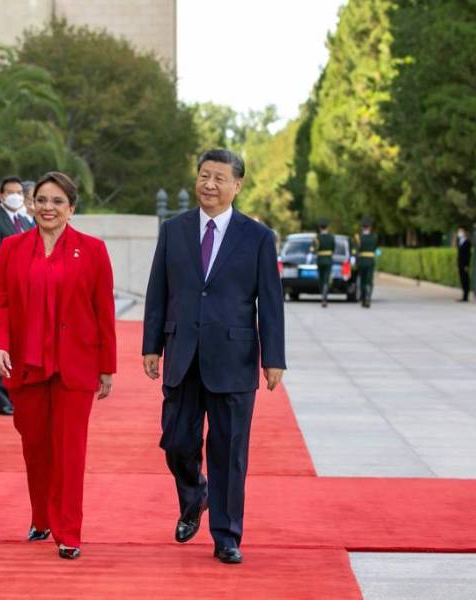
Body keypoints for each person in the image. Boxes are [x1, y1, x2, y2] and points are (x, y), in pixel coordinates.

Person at [142, 148, 285, 565]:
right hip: (182, 354)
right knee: (176, 441)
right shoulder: (174, 230)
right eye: (204, 175)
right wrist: (152, 346)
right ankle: (194, 495)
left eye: (219, 178)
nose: (209, 184)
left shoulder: (257, 237)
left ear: (237, 185)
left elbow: (270, 303)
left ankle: (226, 535)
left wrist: (273, 358)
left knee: (229, 451)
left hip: (234, 360)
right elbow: (158, 292)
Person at [0, 171, 116, 560]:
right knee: (35, 445)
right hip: (26, 365)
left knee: (69, 449)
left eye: (58, 201)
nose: (48, 208)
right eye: (42, 200)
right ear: (31, 204)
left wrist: (106, 366)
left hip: (75, 365)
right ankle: (41, 516)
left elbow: (103, 310)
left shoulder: (92, 250)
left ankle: (68, 532)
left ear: (71, 209)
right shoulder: (11, 248)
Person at [0, 176, 35, 416]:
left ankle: (15, 393)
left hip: (27, 295)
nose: (15, 196)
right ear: (2, 195)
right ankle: (0, 399)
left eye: (18, 192)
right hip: (4, 294)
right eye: (10, 192)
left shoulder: (25, 220)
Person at [354, 217, 378, 308]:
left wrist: (356, 263)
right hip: (371, 261)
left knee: (363, 281)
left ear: (362, 227)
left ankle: (364, 299)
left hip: (362, 261)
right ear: (370, 227)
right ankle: (368, 298)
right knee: (369, 280)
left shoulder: (358, 237)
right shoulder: (374, 237)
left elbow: (357, 250)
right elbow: (375, 248)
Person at [311, 218, 335, 307]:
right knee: (326, 279)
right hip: (328, 260)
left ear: (320, 228)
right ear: (327, 228)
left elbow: (314, 249)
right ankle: (325, 297)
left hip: (320, 260)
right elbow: (333, 249)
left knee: (321, 279)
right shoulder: (331, 237)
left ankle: (323, 297)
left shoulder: (316, 238)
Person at [456, 226, 472, 303]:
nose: (459, 233)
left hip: (464, 264)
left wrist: (467, 265)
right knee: (462, 279)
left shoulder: (467, 242)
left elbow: (468, 254)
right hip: (460, 263)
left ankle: (466, 296)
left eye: (461, 231)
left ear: (464, 232)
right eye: (459, 231)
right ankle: (464, 296)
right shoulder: (459, 241)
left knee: (465, 280)